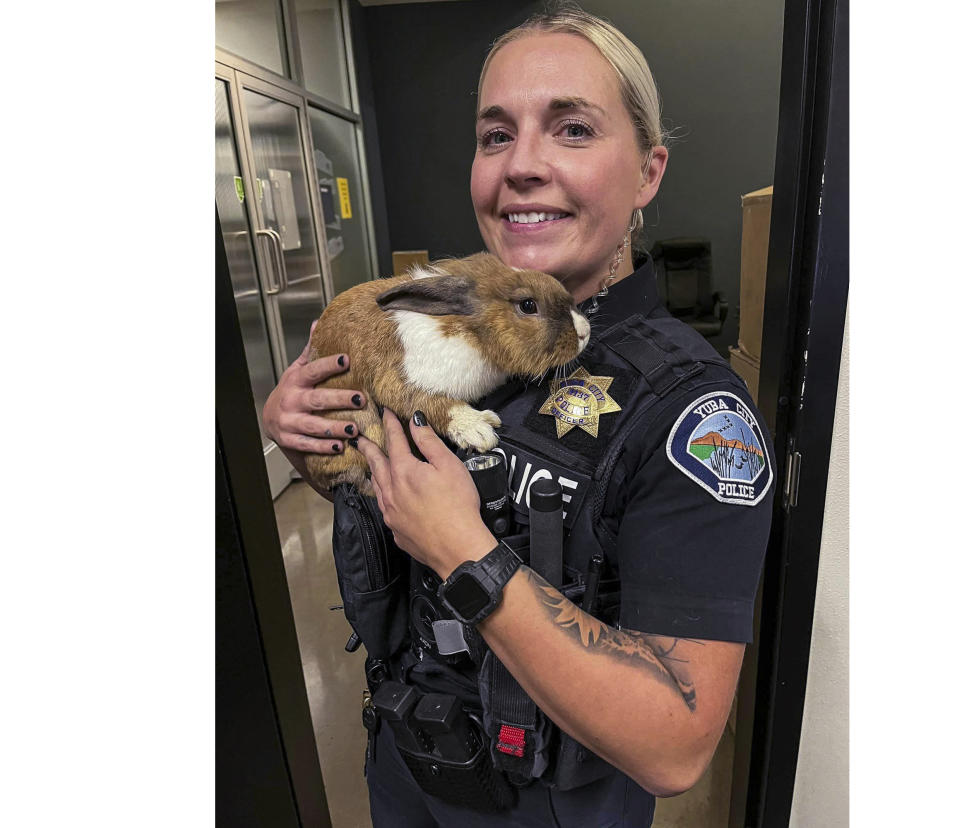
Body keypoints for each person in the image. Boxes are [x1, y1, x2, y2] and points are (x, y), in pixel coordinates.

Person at [262, 7, 773, 826]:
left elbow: (675, 744)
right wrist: (312, 441)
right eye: (495, 135)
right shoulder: (463, 337)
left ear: (647, 172)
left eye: (571, 128)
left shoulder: (691, 413)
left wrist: (468, 552)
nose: (522, 165)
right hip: (408, 759)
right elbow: (390, 511)